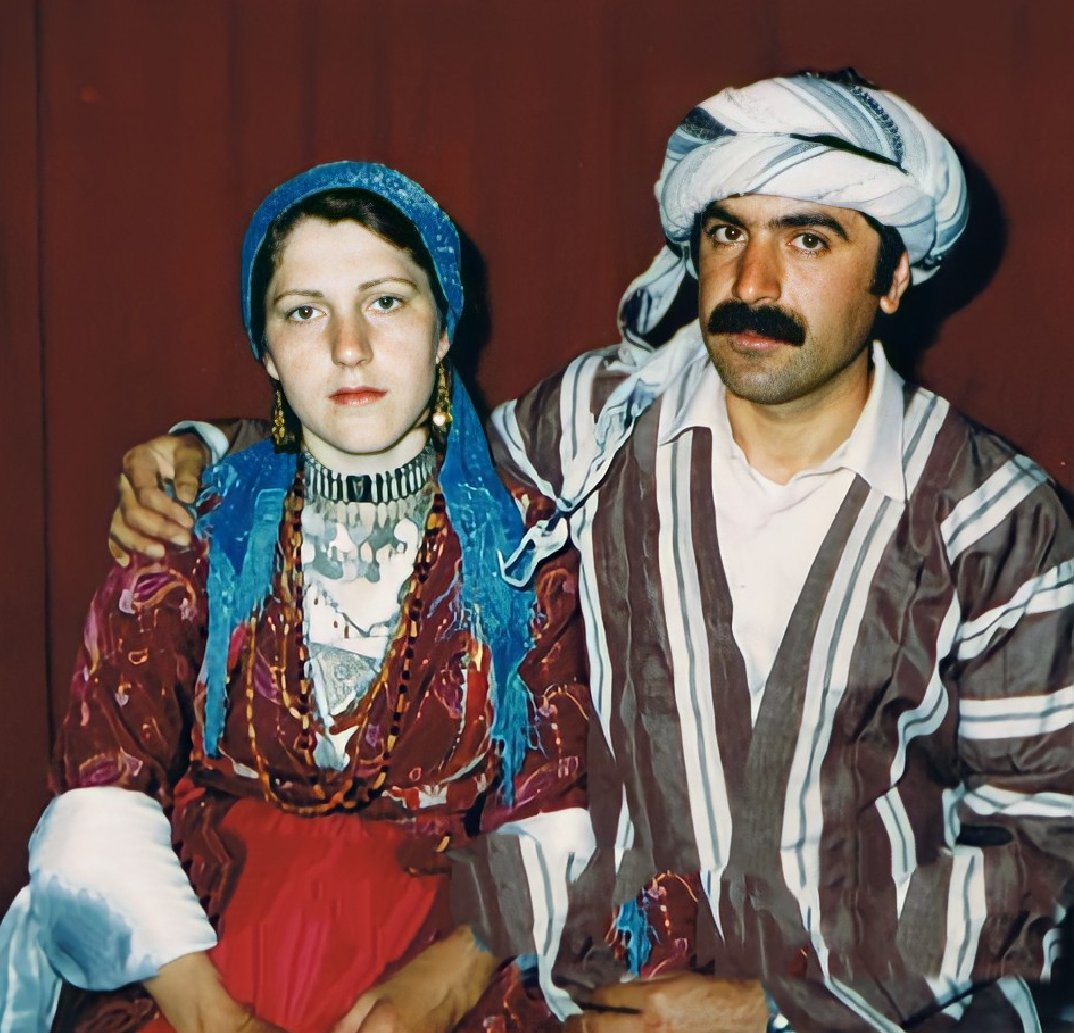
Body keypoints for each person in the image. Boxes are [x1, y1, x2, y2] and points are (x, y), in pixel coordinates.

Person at [105, 72, 1074, 1032]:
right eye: (728, 233)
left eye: (809, 239)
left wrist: (766, 1009)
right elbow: (392, 454)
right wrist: (208, 452)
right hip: (596, 981)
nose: (753, 283)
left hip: (890, 1004)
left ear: (895, 275)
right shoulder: (597, 422)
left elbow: (1039, 841)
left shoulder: (995, 519)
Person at [0, 161, 596, 1033]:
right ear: (268, 352)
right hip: (194, 950)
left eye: (386, 301)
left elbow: (559, 811)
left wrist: (448, 981)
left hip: (447, 951)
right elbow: (96, 798)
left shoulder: (525, 551)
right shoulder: (191, 532)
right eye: (304, 311)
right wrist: (214, 1018)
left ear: (443, 332)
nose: (348, 346)